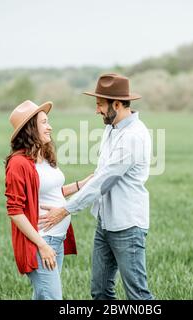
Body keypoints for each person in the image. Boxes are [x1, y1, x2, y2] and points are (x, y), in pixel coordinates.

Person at [40, 73, 154, 300]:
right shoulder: (111, 129)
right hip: (105, 223)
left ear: (118, 104)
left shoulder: (133, 136)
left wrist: (65, 210)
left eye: (100, 105)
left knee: (138, 295)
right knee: (100, 291)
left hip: (127, 226)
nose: (97, 110)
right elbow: (99, 174)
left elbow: (104, 181)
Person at [4, 100, 93, 300]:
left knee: (44, 296)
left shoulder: (43, 155)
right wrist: (42, 246)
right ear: (30, 128)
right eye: (44, 122)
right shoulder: (18, 163)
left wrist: (82, 183)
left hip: (57, 240)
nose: (50, 126)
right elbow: (15, 211)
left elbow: (51, 192)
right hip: (41, 242)